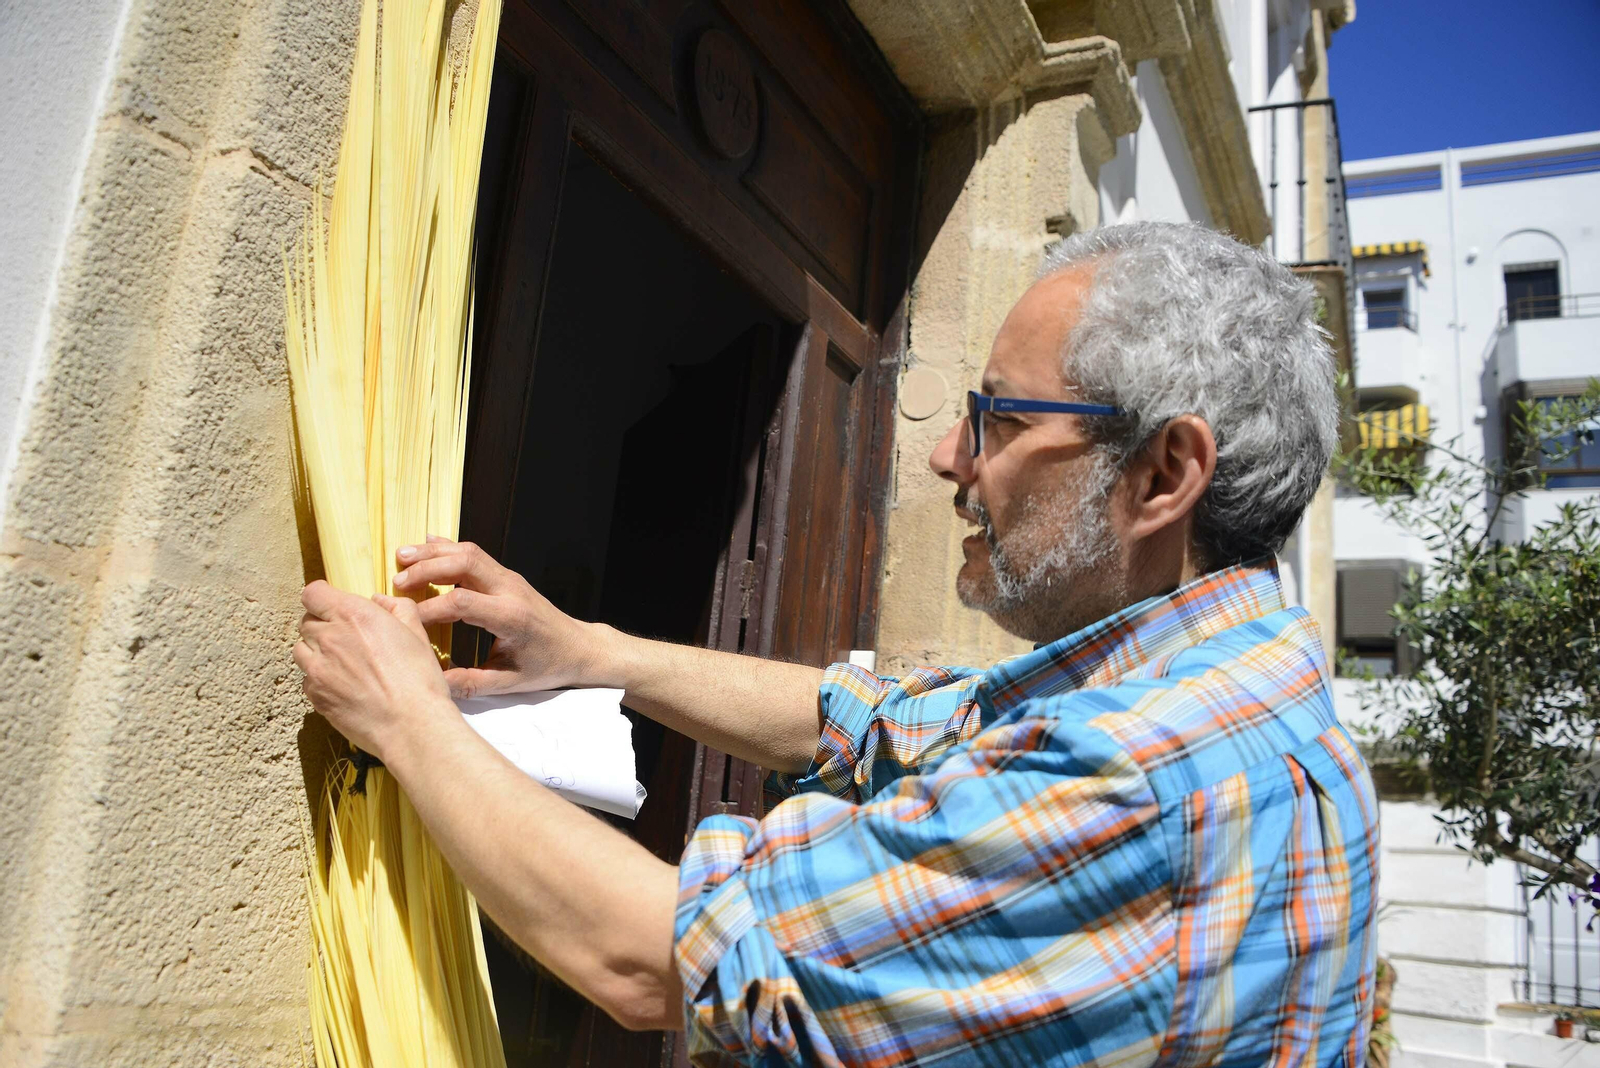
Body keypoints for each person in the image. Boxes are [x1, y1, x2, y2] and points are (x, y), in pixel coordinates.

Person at [295, 220, 1379, 1067]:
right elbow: (868, 720)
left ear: (1162, 476)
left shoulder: (1134, 777)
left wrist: (408, 716)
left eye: (996, 419)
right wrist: (593, 650)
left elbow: (648, 955)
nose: (948, 457)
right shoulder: (1253, 688)